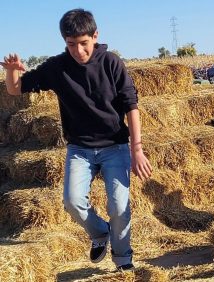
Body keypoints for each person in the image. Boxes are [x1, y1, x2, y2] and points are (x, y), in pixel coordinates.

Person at [1, 9, 152, 271]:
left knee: (119, 207)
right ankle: (100, 232)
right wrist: (12, 72)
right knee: (72, 202)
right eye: (71, 44)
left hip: (115, 147)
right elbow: (15, 89)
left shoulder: (112, 63)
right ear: (64, 42)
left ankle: (123, 260)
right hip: (79, 149)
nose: (78, 50)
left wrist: (136, 149)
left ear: (95, 36)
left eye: (83, 43)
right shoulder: (57, 67)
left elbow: (132, 106)